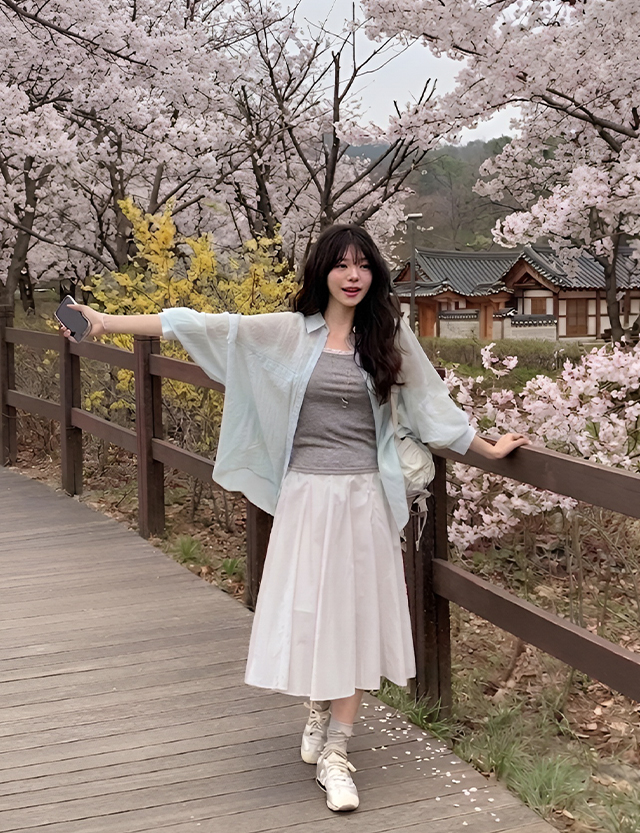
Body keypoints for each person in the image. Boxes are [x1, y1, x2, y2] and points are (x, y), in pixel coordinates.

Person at [60, 224, 528, 813]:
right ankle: (317, 706)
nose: (353, 276)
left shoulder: (387, 335)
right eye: (342, 265)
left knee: (355, 615)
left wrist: (486, 447)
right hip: (307, 497)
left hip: (364, 498)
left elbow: (431, 405)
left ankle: (337, 749)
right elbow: (202, 325)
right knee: (312, 610)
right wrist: (105, 322)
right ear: (323, 272)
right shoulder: (288, 333)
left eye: (364, 265)